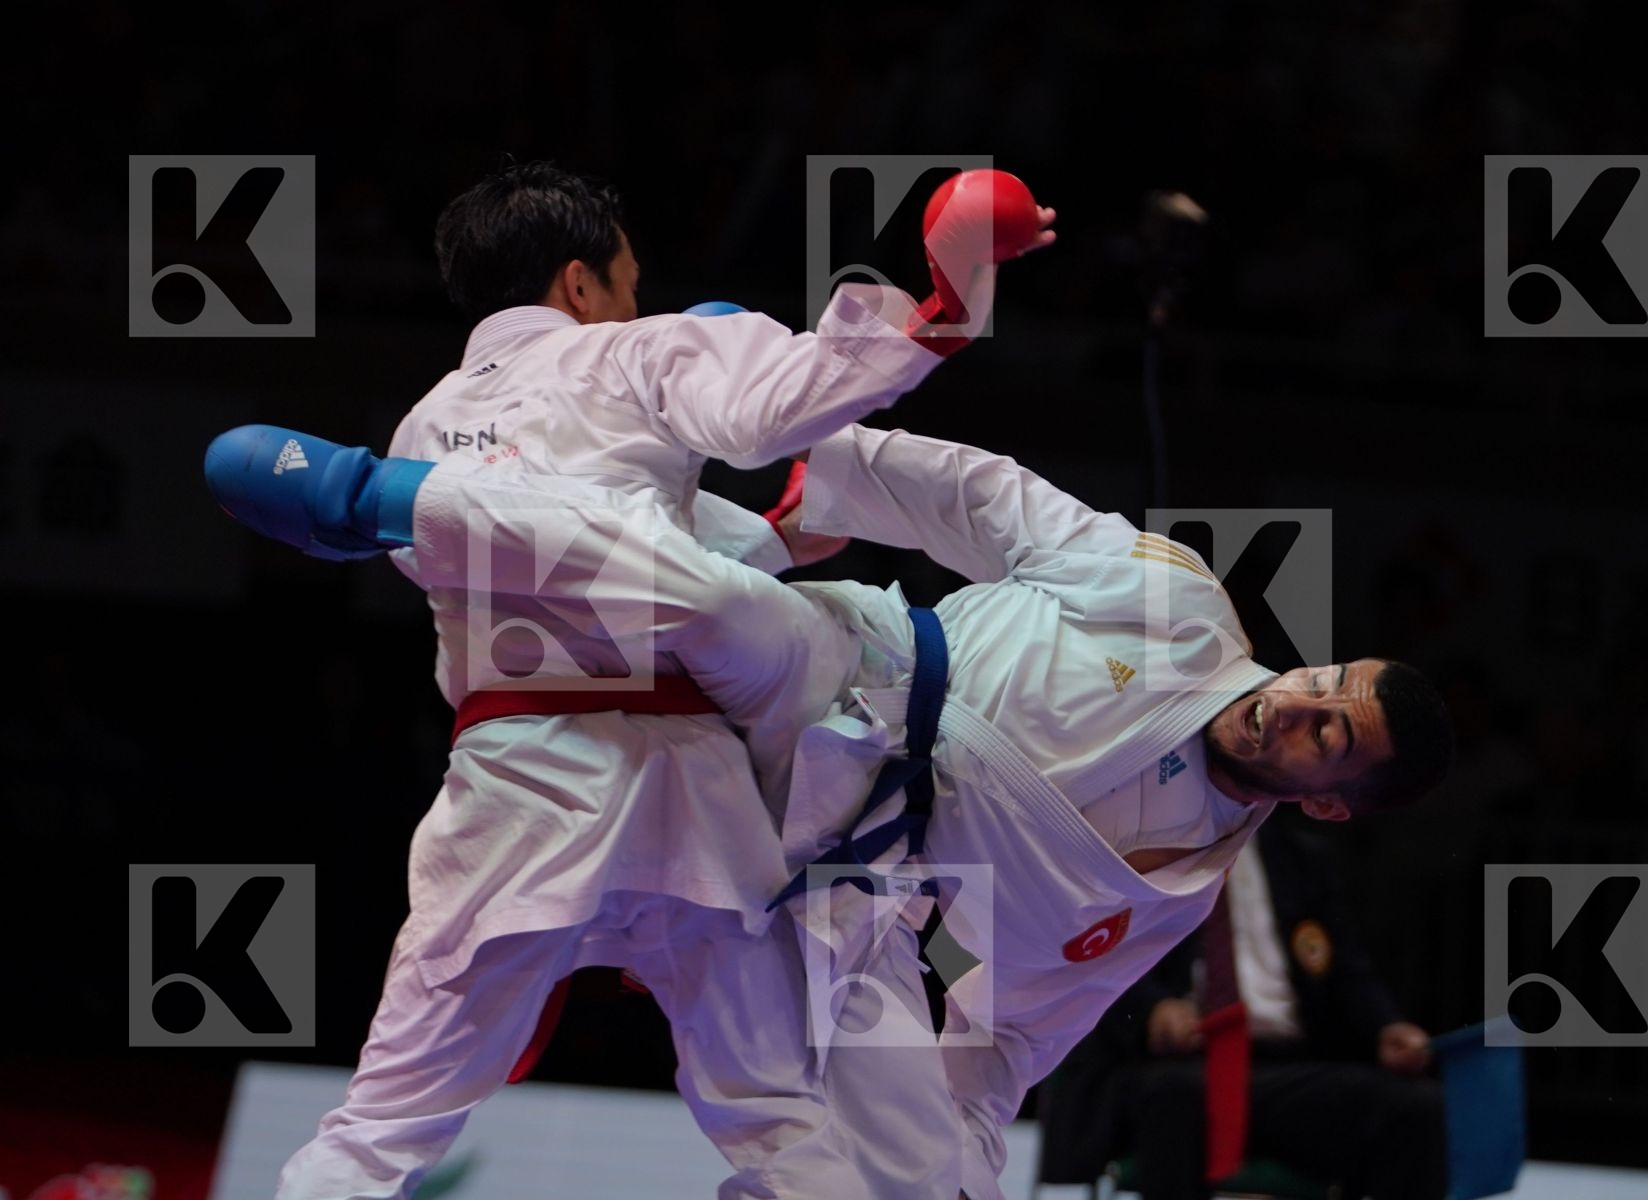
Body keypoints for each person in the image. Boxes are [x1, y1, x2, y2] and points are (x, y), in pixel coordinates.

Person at [206, 416, 1454, 1200]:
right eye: (1322, 680)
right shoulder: (1182, 610)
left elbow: (1014, 1030)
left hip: (842, 876)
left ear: (1332, 805)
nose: (1297, 703)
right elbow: (992, 504)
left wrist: (957, 1139)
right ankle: (387, 503)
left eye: (1328, 732)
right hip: (856, 677)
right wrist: (833, 482)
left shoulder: (1173, 888)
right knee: (710, 593)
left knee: (899, 1184)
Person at [213, 158, 1055, 1200]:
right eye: (625, 282)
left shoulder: (420, 432)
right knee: (779, 1124)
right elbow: (779, 410)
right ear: (579, 285)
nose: (633, 302)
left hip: (514, 790)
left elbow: (594, 539)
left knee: (382, 1127)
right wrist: (940, 291)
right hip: (685, 790)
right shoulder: (635, 353)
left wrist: (770, 539)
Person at [1038, 807, 1447, 1199]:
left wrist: (1386, 1027)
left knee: (1414, 1106)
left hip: (1281, 1072)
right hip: (1177, 1064)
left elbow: (1347, 971)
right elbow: (1087, 953)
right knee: (1180, 1095)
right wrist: (1151, 1011)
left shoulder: (1300, 857)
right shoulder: (1136, 841)